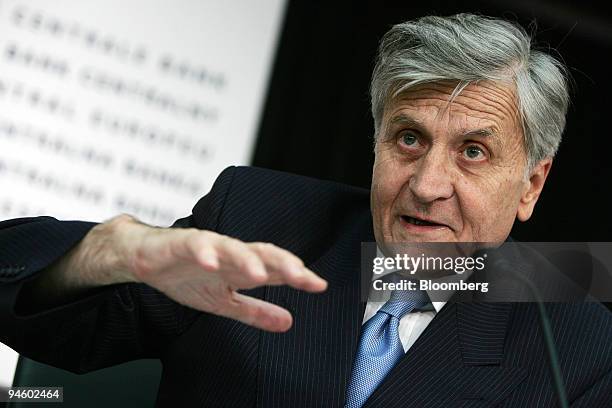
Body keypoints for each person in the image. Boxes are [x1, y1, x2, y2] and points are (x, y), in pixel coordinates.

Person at [1, 13, 611, 407]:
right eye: (408, 139)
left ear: (531, 185)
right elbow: (49, 321)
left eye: (473, 151)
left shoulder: (577, 349)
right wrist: (107, 252)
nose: (427, 185)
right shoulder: (257, 219)